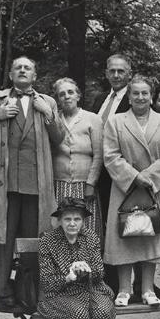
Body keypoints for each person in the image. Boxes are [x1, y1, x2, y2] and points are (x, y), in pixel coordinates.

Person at [0, 55, 65, 312]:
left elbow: (60, 138)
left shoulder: (47, 102)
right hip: (5, 186)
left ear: (34, 76)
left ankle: (32, 291)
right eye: (18, 67)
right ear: (11, 75)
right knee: (3, 239)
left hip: (36, 186)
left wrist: (48, 116)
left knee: (35, 240)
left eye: (28, 68)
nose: (22, 70)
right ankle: (3, 291)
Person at [103, 76, 160, 306]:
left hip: (154, 187)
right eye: (135, 93)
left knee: (150, 235)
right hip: (125, 187)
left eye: (145, 93)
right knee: (126, 236)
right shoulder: (115, 121)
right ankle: (124, 289)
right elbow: (110, 155)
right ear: (129, 96)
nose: (140, 97)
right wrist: (135, 176)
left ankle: (147, 289)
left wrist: (150, 176)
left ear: (151, 96)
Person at [90, 54, 132, 293]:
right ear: (106, 73)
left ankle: (128, 284)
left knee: (125, 224)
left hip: (122, 169)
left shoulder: (134, 97)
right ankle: (109, 281)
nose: (116, 75)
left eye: (121, 71)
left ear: (129, 73)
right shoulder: (99, 100)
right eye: (112, 71)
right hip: (100, 171)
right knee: (104, 224)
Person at [52, 77, 104, 240]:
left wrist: (91, 183)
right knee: (63, 227)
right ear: (58, 100)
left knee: (87, 228)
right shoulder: (54, 120)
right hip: (60, 184)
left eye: (70, 92)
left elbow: (99, 154)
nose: (66, 96)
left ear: (78, 96)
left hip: (84, 185)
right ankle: (63, 264)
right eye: (62, 94)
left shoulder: (92, 119)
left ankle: (89, 265)